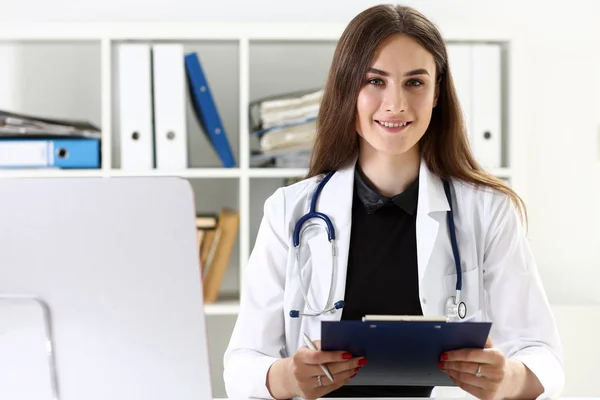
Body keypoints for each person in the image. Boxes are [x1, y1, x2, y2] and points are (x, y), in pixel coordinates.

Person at [223, 4, 564, 399]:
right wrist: (284, 377)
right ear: (347, 88)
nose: (396, 104)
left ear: (437, 93)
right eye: (375, 81)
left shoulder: (488, 212)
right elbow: (242, 362)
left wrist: (510, 379)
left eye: (415, 82)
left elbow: (545, 358)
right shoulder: (290, 211)